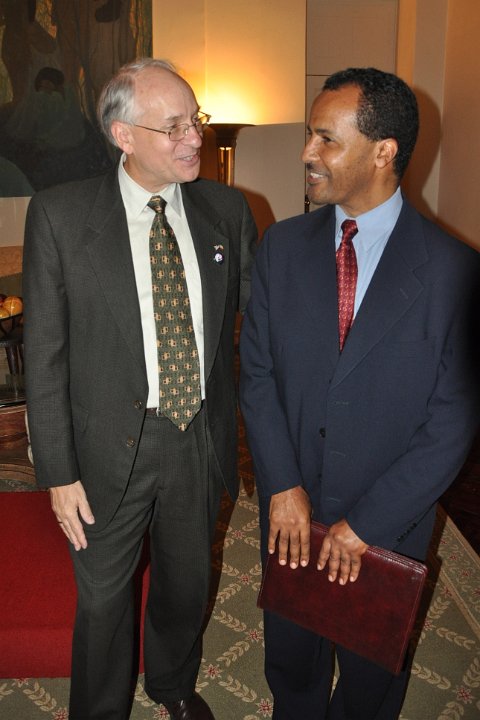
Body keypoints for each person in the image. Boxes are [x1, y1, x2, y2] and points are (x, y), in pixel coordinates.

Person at [239, 67, 479, 720]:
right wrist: (283, 484)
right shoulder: (281, 247)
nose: (306, 153)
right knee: (292, 656)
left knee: (372, 675)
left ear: (383, 151)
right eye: (309, 135)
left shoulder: (455, 272)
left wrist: (368, 524)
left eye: (326, 139)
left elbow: (452, 424)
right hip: (291, 507)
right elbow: (257, 372)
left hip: (388, 524)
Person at [23, 57, 257, 720]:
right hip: (103, 445)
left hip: (196, 436)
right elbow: (44, 357)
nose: (194, 138)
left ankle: (173, 686)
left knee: (186, 583)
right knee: (103, 599)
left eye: (195, 121)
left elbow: (258, 319)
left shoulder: (226, 210)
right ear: (123, 135)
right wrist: (58, 472)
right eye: (173, 126)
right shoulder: (61, 216)